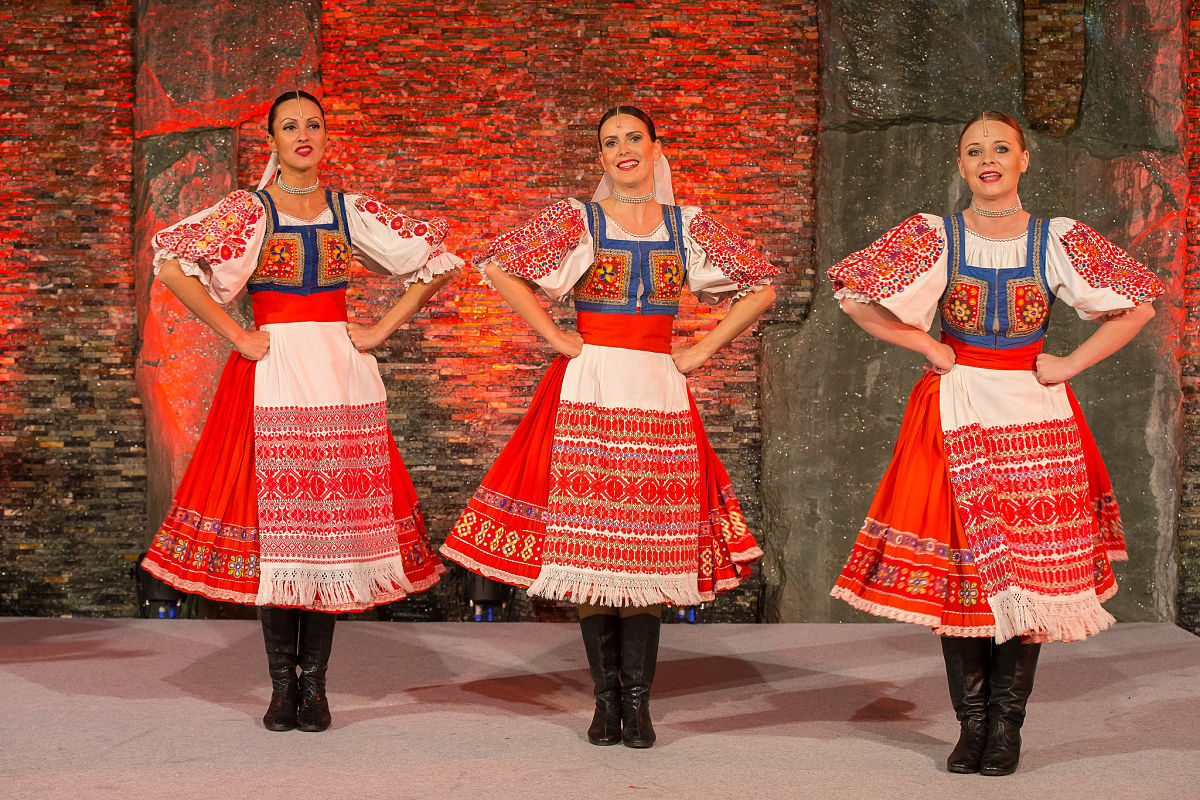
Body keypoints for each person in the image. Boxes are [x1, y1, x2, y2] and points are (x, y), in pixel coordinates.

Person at [828, 110, 1163, 775]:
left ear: (1022, 160)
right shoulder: (937, 236)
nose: (988, 159)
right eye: (974, 150)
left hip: (1038, 416)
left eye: (1000, 148)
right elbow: (853, 292)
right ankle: (970, 723)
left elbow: (1140, 303)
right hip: (958, 411)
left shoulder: (1055, 237)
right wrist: (925, 341)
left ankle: (1007, 725)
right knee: (967, 575)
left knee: (1031, 578)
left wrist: (1068, 365)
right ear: (960, 165)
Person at [440, 105, 777, 748]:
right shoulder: (580, 219)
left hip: (657, 387)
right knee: (592, 550)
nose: (623, 148)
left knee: (646, 549)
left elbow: (760, 285)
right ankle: (605, 702)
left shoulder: (687, 225)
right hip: (592, 384)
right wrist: (556, 336)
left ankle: (639, 703)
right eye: (609, 142)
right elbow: (499, 267)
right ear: (600, 159)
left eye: (632, 138)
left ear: (655, 147)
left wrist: (702, 351)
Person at [141, 90, 460, 732]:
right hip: (276, 372)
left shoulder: (348, 210)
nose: (303, 134)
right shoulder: (250, 210)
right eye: (290, 126)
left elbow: (436, 261)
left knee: (327, 536)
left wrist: (378, 330)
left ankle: (315, 686)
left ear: (325, 136)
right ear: (274, 141)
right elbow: (172, 262)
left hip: (340, 375)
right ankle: (281, 687)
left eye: (313, 124)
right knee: (281, 536)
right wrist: (236, 335)